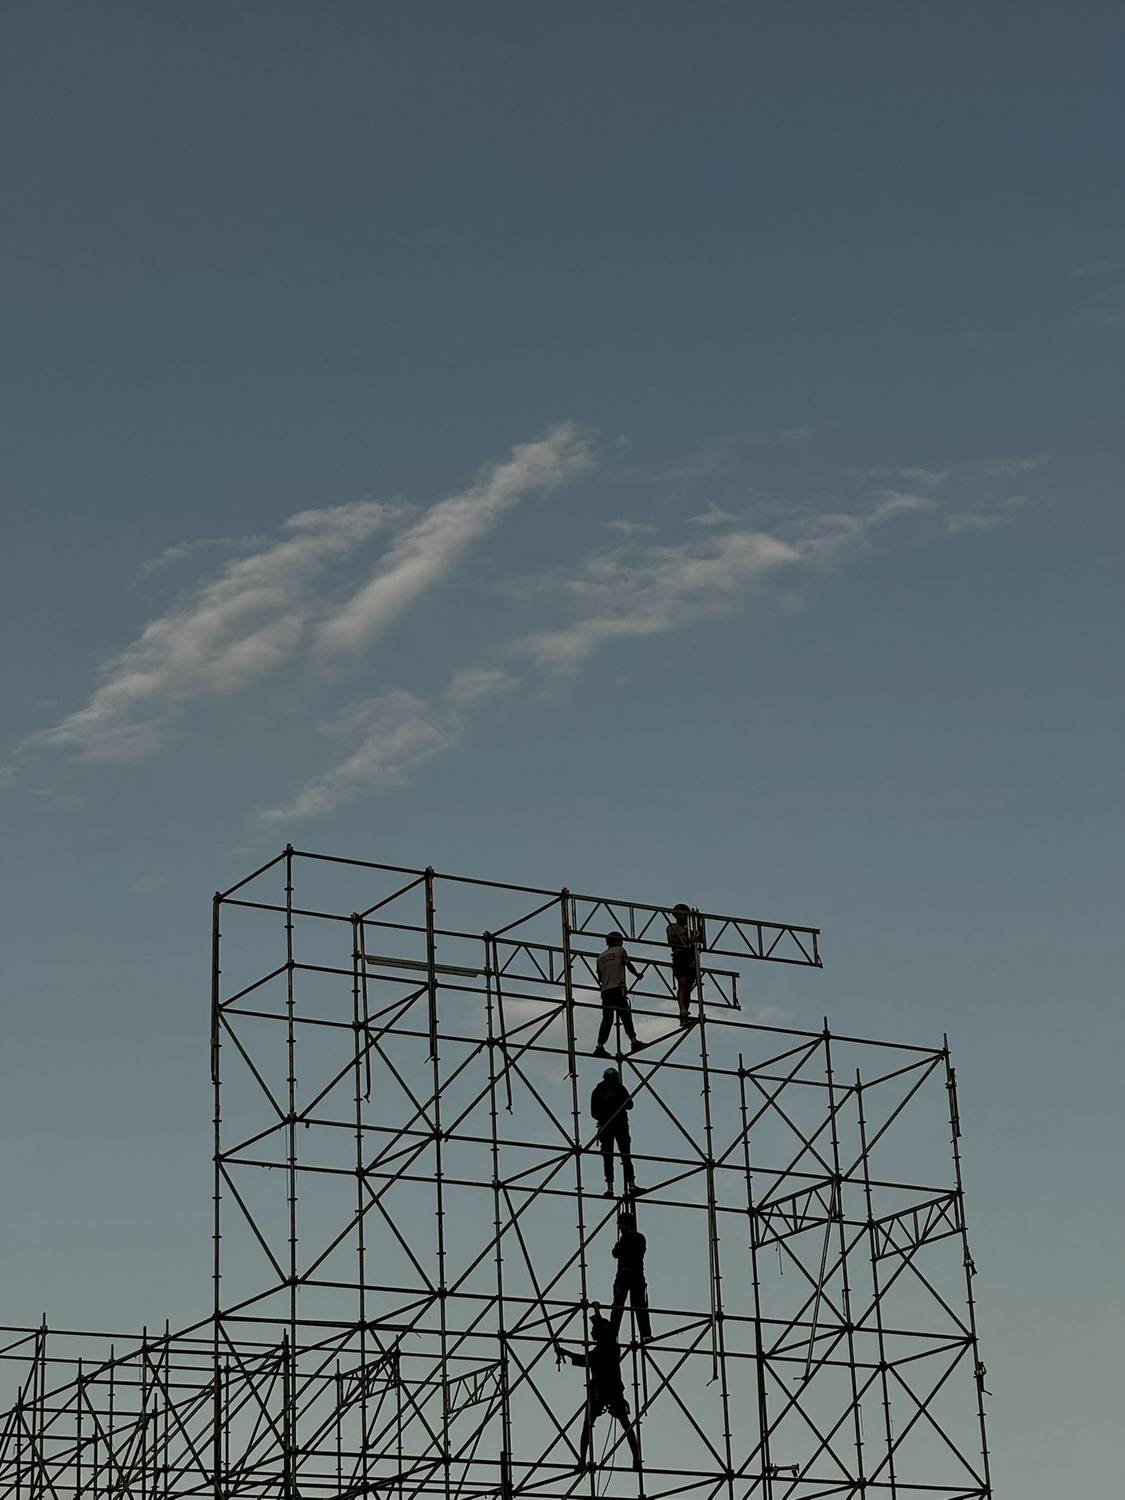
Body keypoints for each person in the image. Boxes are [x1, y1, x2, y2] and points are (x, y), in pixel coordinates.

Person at [555, 1311, 642, 1472]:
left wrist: (565, 1352)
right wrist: (596, 1315)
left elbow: (585, 1359)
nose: (592, 1332)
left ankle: (582, 1460)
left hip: (603, 1392)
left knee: (589, 1424)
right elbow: (586, 1358)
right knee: (624, 1424)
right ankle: (636, 1459)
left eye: (594, 1330)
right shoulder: (611, 1348)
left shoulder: (606, 1349)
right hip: (612, 1391)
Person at [594, 931, 643, 1058]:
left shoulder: (600, 957)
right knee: (625, 1015)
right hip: (617, 988)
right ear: (616, 941)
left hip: (606, 991)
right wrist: (637, 974)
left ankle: (600, 1046)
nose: (622, 942)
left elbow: (600, 978)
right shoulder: (620, 951)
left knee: (607, 1019)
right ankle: (634, 1041)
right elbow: (628, 965)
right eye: (620, 940)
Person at [590, 1066, 635, 1198]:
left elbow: (594, 1113)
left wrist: (605, 1113)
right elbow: (630, 1105)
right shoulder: (619, 1088)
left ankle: (610, 1188)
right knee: (625, 1156)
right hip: (618, 1126)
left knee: (608, 1158)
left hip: (607, 1127)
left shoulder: (598, 1091)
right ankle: (631, 1185)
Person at [609, 1208, 651, 1342]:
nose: (620, 1228)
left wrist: (619, 1245)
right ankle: (645, 1334)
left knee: (618, 1307)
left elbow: (615, 1253)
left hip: (625, 1275)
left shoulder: (626, 1239)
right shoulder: (639, 1238)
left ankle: (613, 1335)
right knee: (640, 1306)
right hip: (637, 1275)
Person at [666, 903, 702, 1026]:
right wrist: (688, 940)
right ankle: (682, 1010)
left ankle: (685, 1014)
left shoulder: (690, 929)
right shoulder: (672, 927)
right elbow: (672, 941)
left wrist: (699, 926)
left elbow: (699, 941)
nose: (683, 916)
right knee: (683, 982)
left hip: (691, 958)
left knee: (688, 986)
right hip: (680, 956)